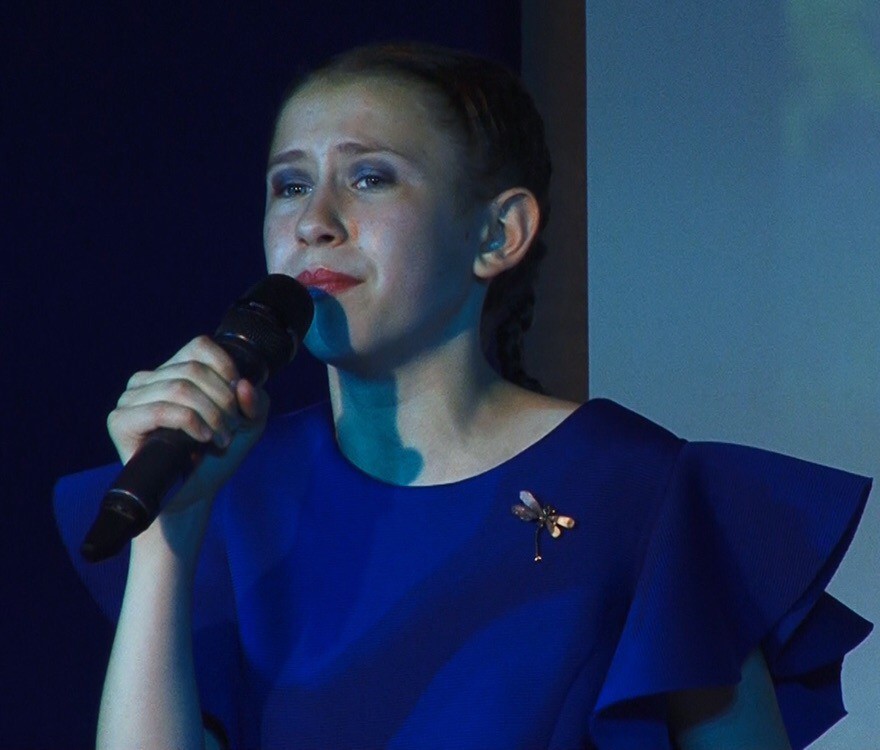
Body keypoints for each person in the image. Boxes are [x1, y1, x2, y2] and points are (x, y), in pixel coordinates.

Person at [54, 42, 872, 750]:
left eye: (369, 177)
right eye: (289, 185)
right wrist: (167, 538)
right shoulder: (235, 497)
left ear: (497, 233)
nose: (314, 222)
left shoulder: (641, 491)